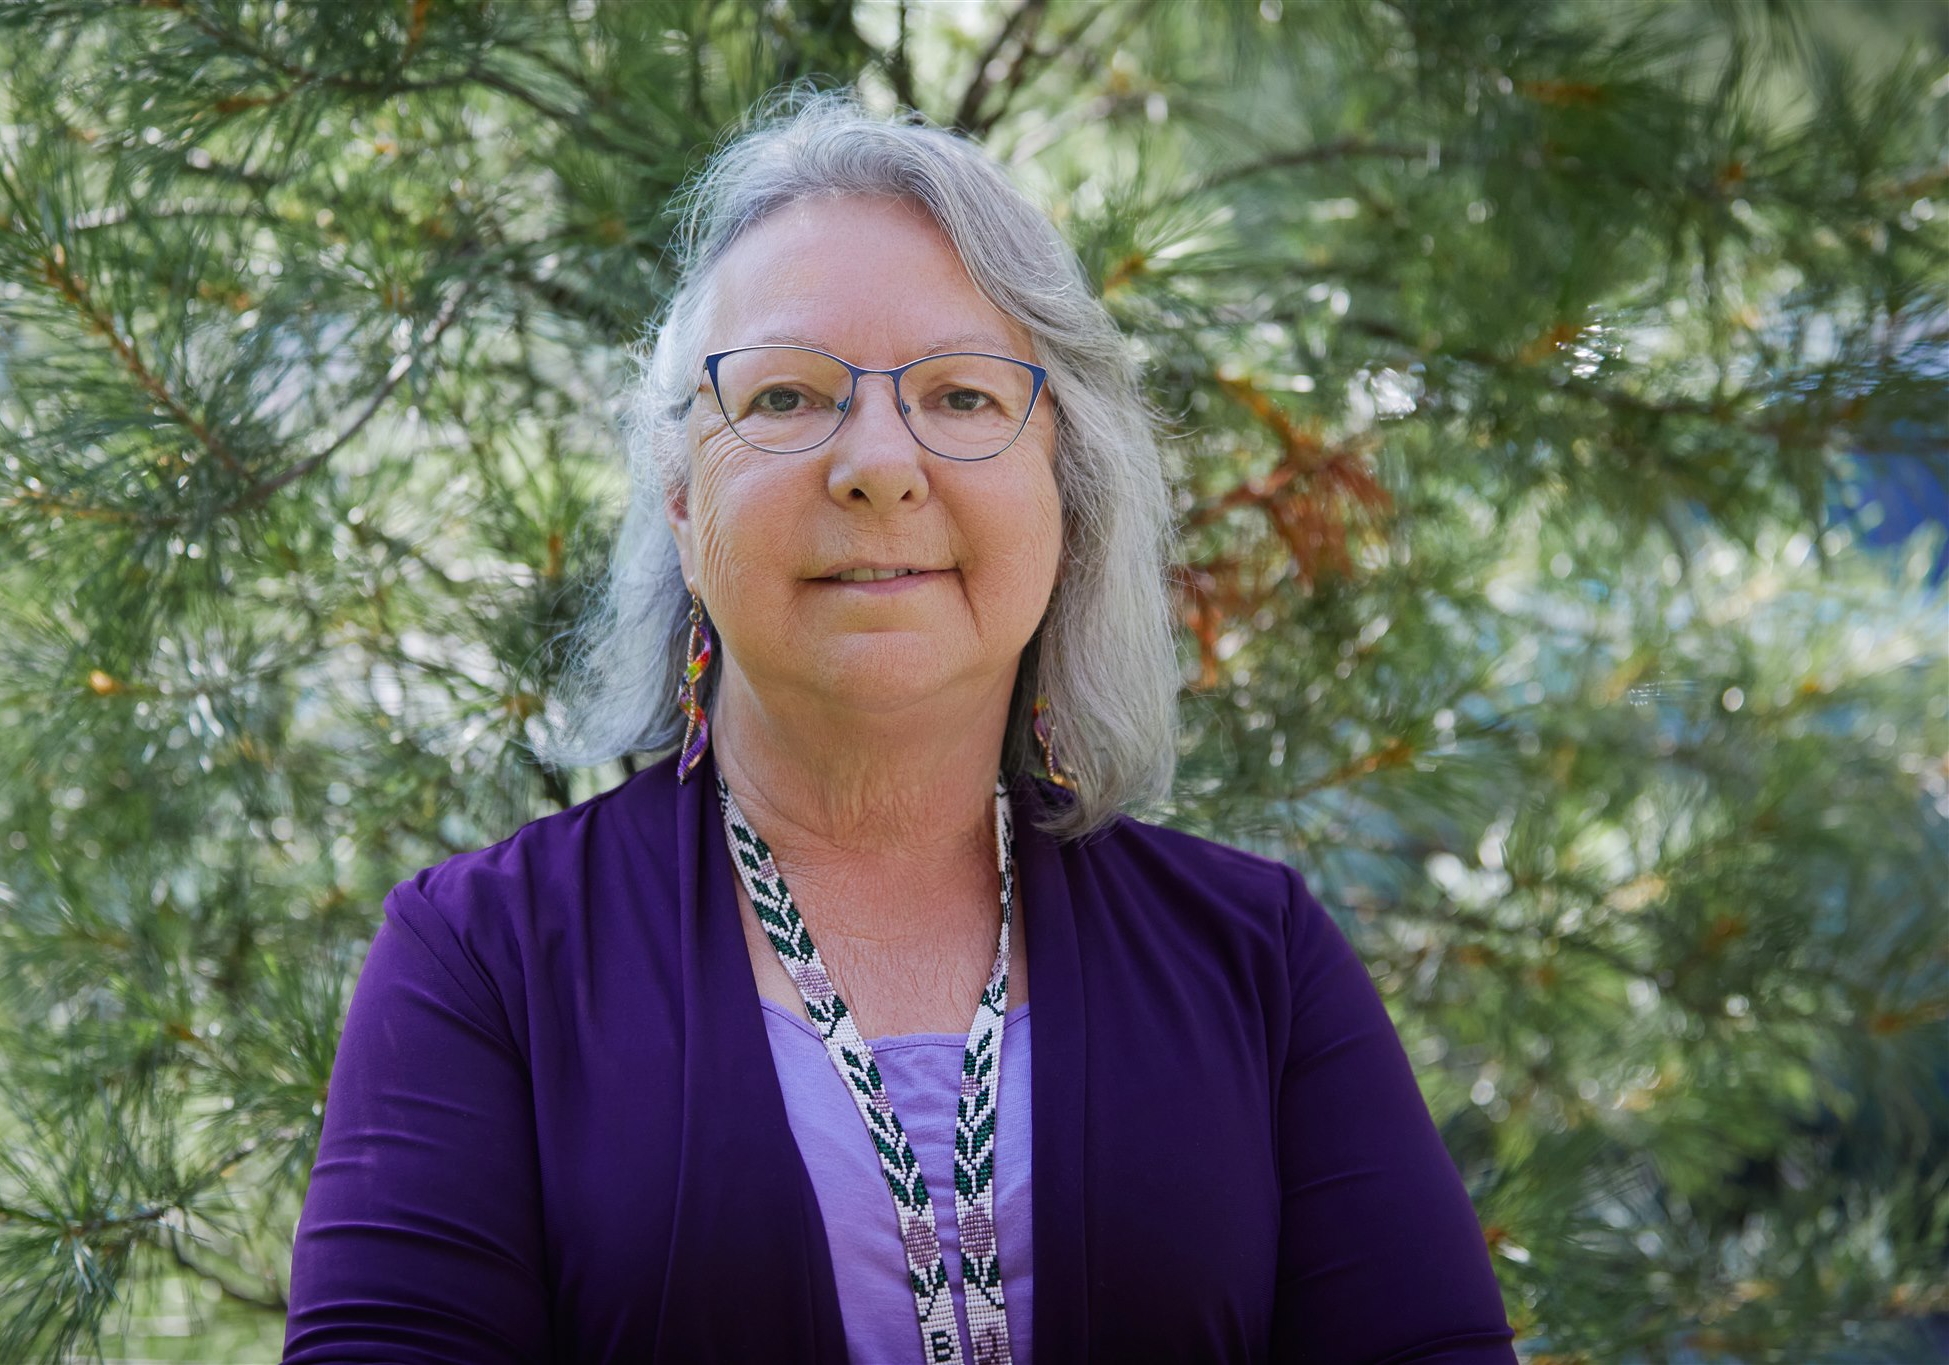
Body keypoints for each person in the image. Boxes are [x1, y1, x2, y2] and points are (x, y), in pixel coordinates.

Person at [282, 89, 1517, 1365]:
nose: (878, 460)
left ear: (1068, 496)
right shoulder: (482, 964)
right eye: (783, 397)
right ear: (676, 500)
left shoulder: (1257, 965)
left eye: (963, 398)